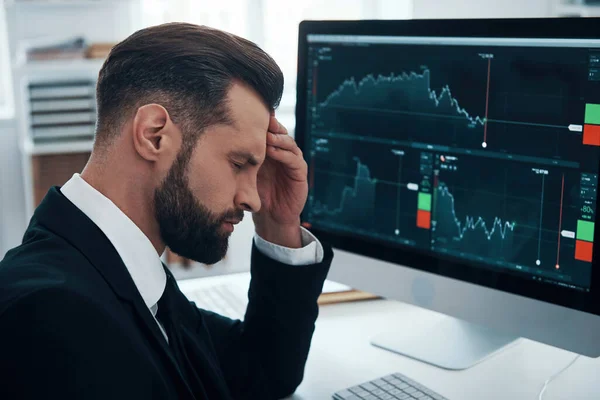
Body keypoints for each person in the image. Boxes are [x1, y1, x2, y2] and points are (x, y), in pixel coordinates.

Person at [0, 23, 333, 400]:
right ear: (153, 135)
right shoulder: (50, 316)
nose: (252, 199)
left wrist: (278, 224)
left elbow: (260, 373)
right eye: (239, 163)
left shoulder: (119, 265)